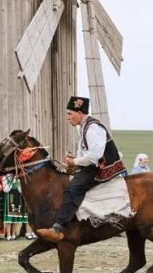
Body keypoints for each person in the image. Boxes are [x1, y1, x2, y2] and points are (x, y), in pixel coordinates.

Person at [36, 97, 126, 242]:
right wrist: (73, 163)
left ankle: (59, 228)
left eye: (70, 114)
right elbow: (84, 153)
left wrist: (75, 161)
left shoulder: (93, 128)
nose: (68, 118)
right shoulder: (83, 127)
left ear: (80, 112)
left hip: (103, 167)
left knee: (73, 188)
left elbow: (94, 157)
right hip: (93, 165)